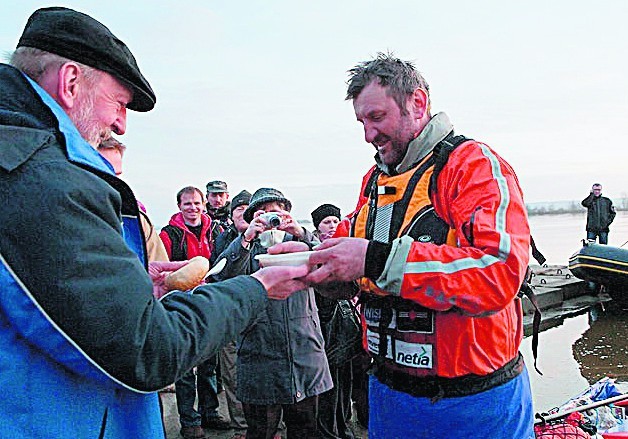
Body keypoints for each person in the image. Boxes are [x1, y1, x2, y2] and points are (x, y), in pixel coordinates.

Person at [0, 7, 308, 438]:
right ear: (70, 82)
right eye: (120, 102)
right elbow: (149, 349)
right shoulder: (40, 177)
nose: (120, 123)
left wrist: (131, 285)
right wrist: (258, 287)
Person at [293, 53, 534, 438]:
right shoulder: (373, 182)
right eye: (361, 122)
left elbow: (499, 273)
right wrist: (309, 262)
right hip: (388, 397)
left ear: (417, 104)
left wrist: (373, 259)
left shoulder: (473, 166)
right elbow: (349, 256)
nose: (368, 135)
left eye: (376, 118)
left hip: (473, 406)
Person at [215, 188, 333, 439]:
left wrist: (300, 232)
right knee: (259, 431)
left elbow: (331, 263)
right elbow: (221, 276)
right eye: (264, 214)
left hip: (304, 351)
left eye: (278, 213)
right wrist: (246, 237)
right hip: (260, 355)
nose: (272, 220)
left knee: (307, 430)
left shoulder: (301, 245)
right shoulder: (244, 249)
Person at [159, 186, 230, 437]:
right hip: (181, 305)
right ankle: (189, 420)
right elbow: (160, 270)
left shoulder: (217, 231)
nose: (193, 208)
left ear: (204, 204)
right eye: (187, 204)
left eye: (197, 203)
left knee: (210, 363)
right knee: (185, 365)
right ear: (179, 206)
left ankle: (210, 412)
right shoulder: (168, 234)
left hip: (210, 301)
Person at [311, 204, 360, 439]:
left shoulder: (346, 249)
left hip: (346, 331)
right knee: (327, 389)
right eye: (326, 222)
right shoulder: (309, 251)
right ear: (317, 227)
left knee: (345, 385)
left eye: (335, 221)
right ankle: (329, 432)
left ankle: (343, 426)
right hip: (323, 329)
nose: (332, 226)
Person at [98, 136, 169, 263]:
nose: (113, 181)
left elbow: (160, 268)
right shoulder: (63, 214)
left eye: (117, 174)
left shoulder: (137, 219)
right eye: (104, 172)